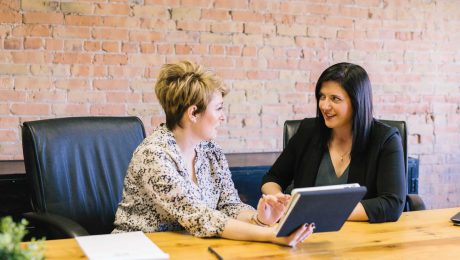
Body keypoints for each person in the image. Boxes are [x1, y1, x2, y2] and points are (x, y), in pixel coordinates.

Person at [112, 60, 314, 246]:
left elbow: (229, 205)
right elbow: (200, 217)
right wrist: (271, 234)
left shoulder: (210, 151)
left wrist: (259, 219)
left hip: (190, 247)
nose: (223, 117)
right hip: (137, 249)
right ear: (193, 113)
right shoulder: (153, 155)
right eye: (218, 109)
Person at [261, 62, 406, 223]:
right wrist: (278, 198)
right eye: (322, 97)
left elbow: (392, 204)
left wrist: (321, 211)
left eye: (335, 99)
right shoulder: (308, 131)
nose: (324, 105)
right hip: (306, 235)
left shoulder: (385, 139)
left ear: (357, 102)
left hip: (362, 237)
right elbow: (272, 178)